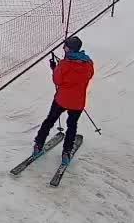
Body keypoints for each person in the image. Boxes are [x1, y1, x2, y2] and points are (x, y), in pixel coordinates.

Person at [33, 35, 94, 165]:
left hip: (61, 100)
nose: (63, 47)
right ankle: (66, 153)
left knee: (49, 120)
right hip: (77, 102)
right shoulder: (88, 63)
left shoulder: (64, 65)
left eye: (65, 46)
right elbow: (89, 75)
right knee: (72, 126)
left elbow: (57, 80)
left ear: (69, 49)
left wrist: (55, 68)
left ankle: (38, 145)